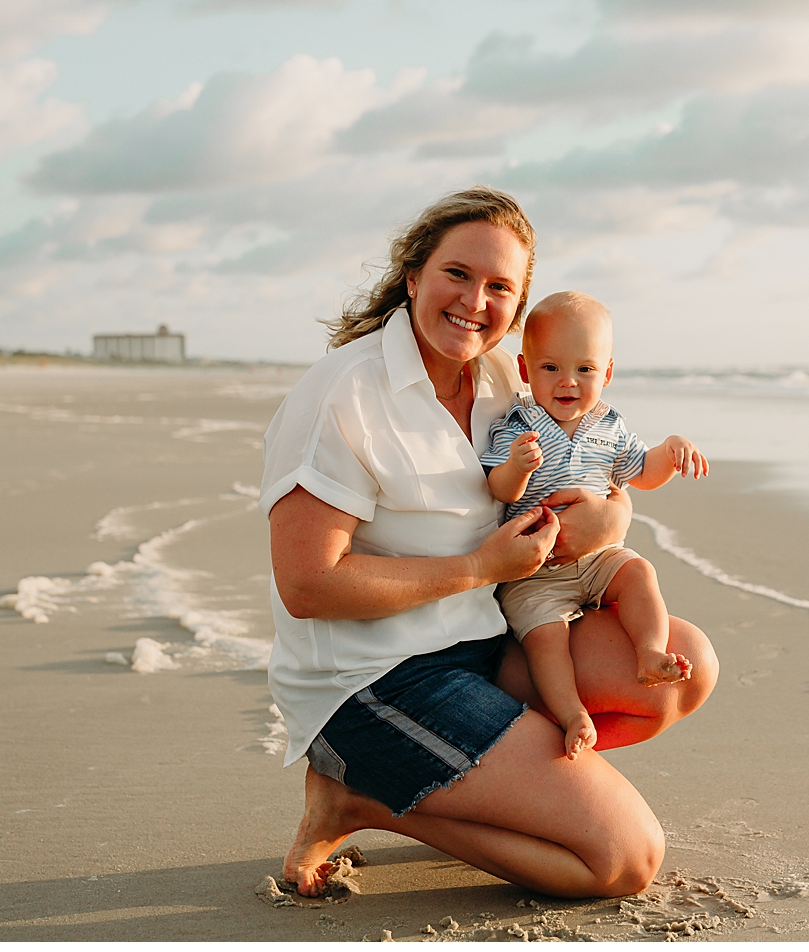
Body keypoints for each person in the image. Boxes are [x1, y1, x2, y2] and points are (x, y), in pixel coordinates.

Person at [261, 187, 717, 899]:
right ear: (412, 275)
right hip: (376, 678)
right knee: (624, 859)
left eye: (500, 286)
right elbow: (307, 585)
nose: (475, 299)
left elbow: (593, 466)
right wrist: (480, 565)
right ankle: (364, 797)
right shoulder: (343, 394)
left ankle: (474, 778)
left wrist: (611, 516)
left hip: (484, 639)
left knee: (682, 667)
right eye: (457, 273)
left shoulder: (509, 377)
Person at [481, 291, 709, 761]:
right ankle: (571, 715)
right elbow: (499, 488)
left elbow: (640, 473)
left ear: (606, 373)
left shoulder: (610, 425)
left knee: (640, 572)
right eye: (551, 369)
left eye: (584, 369)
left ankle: (649, 653)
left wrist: (670, 450)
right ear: (526, 371)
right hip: (536, 573)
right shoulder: (517, 424)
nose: (568, 382)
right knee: (547, 638)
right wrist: (517, 468)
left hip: (598, 559)